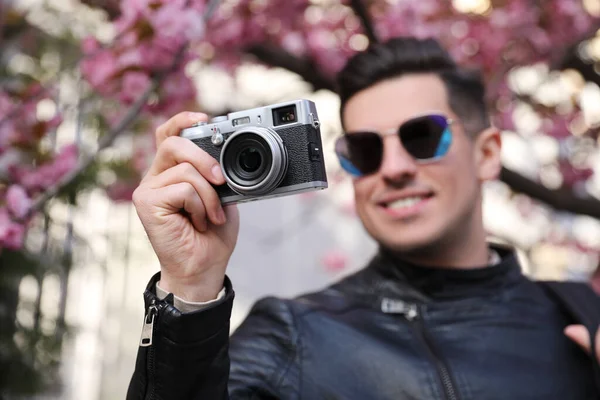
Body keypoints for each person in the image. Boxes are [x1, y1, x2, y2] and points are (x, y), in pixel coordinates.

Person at [126, 37, 600, 399]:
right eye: (365, 149)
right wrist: (189, 288)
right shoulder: (294, 334)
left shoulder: (581, 316)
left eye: (421, 137)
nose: (392, 168)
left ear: (488, 154)